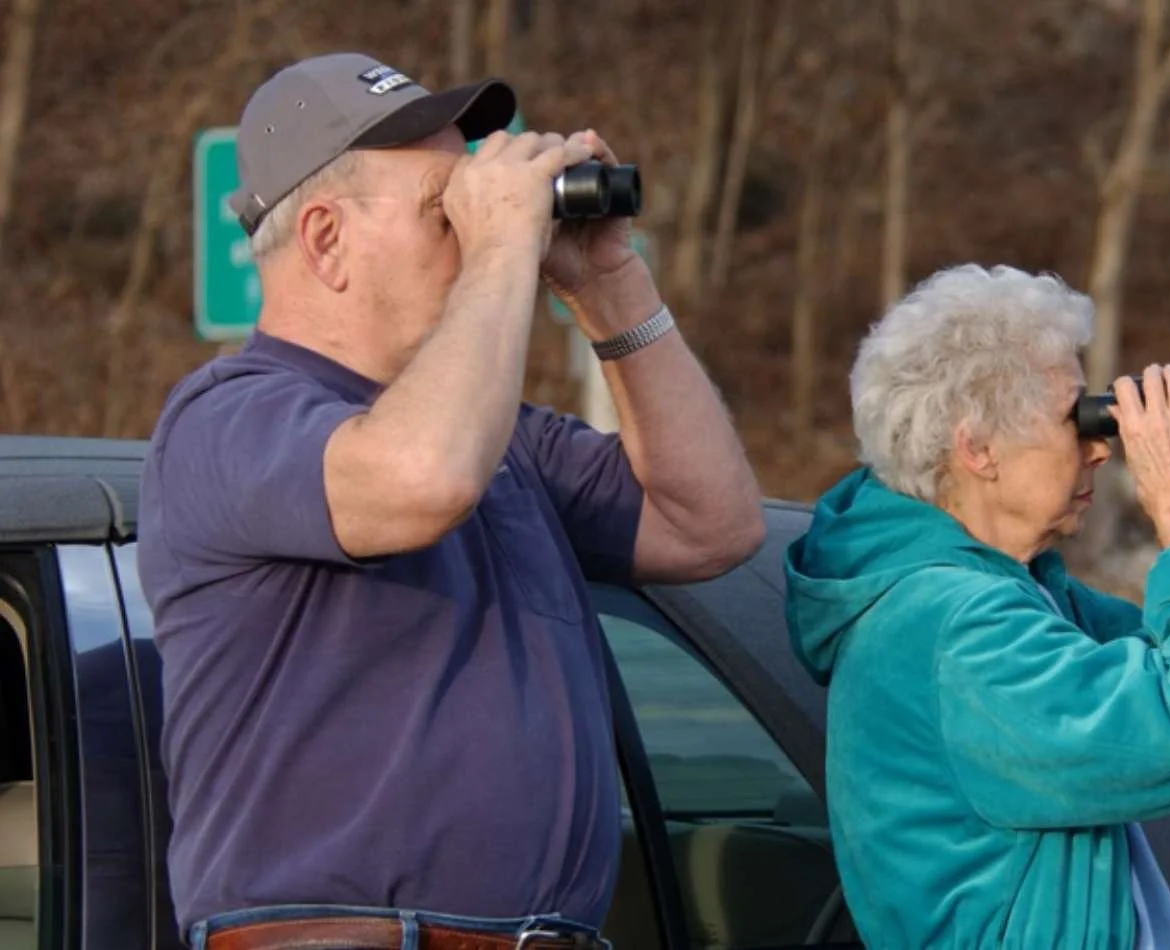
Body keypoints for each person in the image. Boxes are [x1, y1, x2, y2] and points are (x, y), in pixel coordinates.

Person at [136, 52, 765, 949]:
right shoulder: (227, 419)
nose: (476, 228)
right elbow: (422, 478)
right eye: (446, 207)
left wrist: (609, 281)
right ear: (323, 239)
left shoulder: (500, 438)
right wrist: (506, 248)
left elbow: (713, 525)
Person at [783, 264, 1170, 949]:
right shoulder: (955, 630)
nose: (1101, 447)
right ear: (977, 447)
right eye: (1075, 418)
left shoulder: (1003, 594)